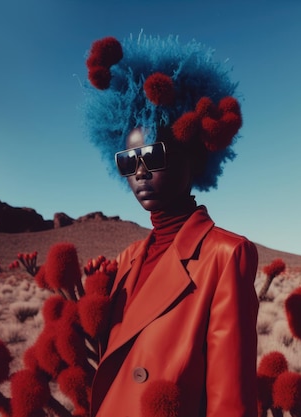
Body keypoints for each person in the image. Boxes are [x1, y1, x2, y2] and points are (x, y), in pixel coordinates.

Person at [82, 33, 259, 417]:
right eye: (127, 161)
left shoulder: (226, 256)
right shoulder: (128, 258)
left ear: (192, 158)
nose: (140, 173)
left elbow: (231, 399)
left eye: (152, 155)